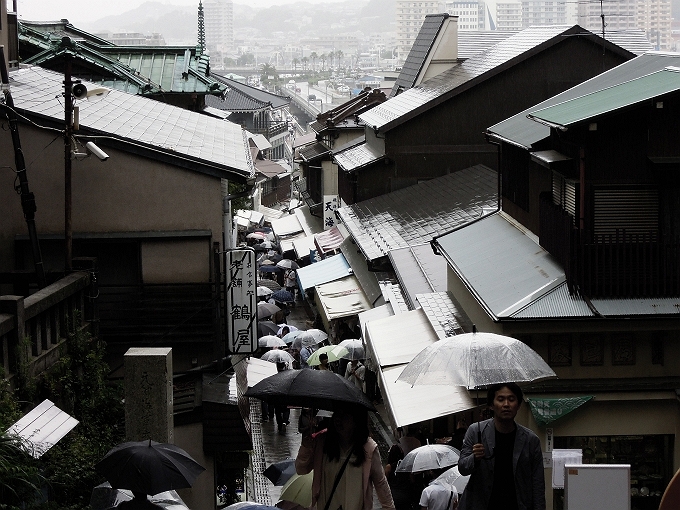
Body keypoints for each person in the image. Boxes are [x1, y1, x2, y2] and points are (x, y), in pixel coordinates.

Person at [457, 383, 545, 510]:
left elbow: (538, 484)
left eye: (511, 399)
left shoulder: (530, 440)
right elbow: (462, 468)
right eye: (500, 399)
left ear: (518, 405)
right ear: (492, 405)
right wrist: (474, 458)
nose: (506, 404)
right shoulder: (476, 431)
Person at [295, 406, 395, 510]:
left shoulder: (369, 448)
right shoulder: (323, 443)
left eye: (345, 415)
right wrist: (306, 447)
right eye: (337, 414)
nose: (338, 419)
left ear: (356, 420)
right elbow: (301, 469)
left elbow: (381, 483)